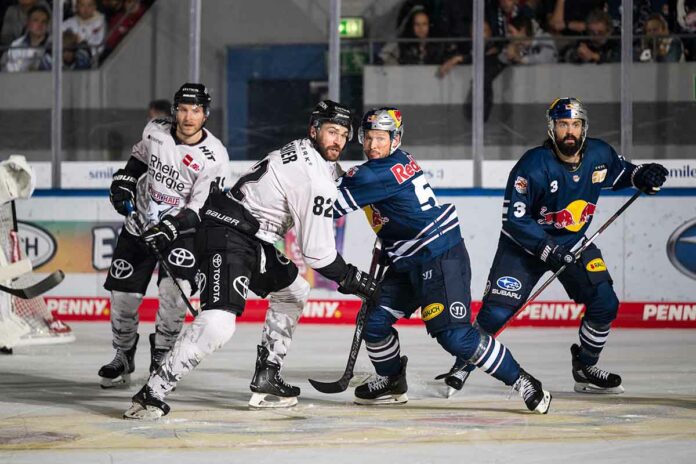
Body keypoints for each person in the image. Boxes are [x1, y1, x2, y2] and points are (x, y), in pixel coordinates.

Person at [123, 100, 379, 420]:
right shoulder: (315, 178)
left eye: (343, 134)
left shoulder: (307, 151)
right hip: (227, 235)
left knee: (294, 292)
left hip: (245, 236)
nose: (337, 140)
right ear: (314, 130)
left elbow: (333, 182)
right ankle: (151, 393)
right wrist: (357, 281)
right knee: (219, 323)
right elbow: (318, 253)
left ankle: (267, 376)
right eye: (331, 131)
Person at [439, 97, 668, 396]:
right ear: (552, 128)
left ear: (584, 128)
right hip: (522, 248)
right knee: (496, 313)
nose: (569, 131)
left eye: (575, 124)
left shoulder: (599, 154)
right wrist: (549, 250)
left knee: (605, 303)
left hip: (573, 244)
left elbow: (624, 173)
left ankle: (585, 367)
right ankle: (464, 362)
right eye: (563, 124)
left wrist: (644, 175)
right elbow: (515, 221)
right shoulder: (533, 165)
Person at [332, 107, 551, 414]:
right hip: (408, 259)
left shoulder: (372, 173)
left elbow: (326, 206)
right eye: (367, 138)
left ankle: (524, 381)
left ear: (394, 139)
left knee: (456, 337)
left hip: (438, 257)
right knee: (375, 321)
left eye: (380, 138)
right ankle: (392, 380)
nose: (371, 145)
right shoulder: (396, 161)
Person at [98, 83, 230, 388]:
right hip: (139, 227)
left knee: (174, 294)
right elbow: (139, 160)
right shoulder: (155, 130)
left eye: (195, 111)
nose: (187, 117)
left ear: (205, 115)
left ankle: (162, 355)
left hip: (180, 234)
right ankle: (123, 355)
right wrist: (124, 182)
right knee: (123, 297)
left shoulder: (215, 157)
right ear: (174, 111)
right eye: (182, 109)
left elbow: (200, 209)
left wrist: (169, 227)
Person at [0, 4, 50, 72]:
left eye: (44, 21)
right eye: (35, 20)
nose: (40, 25)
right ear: (28, 23)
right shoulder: (16, 45)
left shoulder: (53, 44)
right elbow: (10, 72)